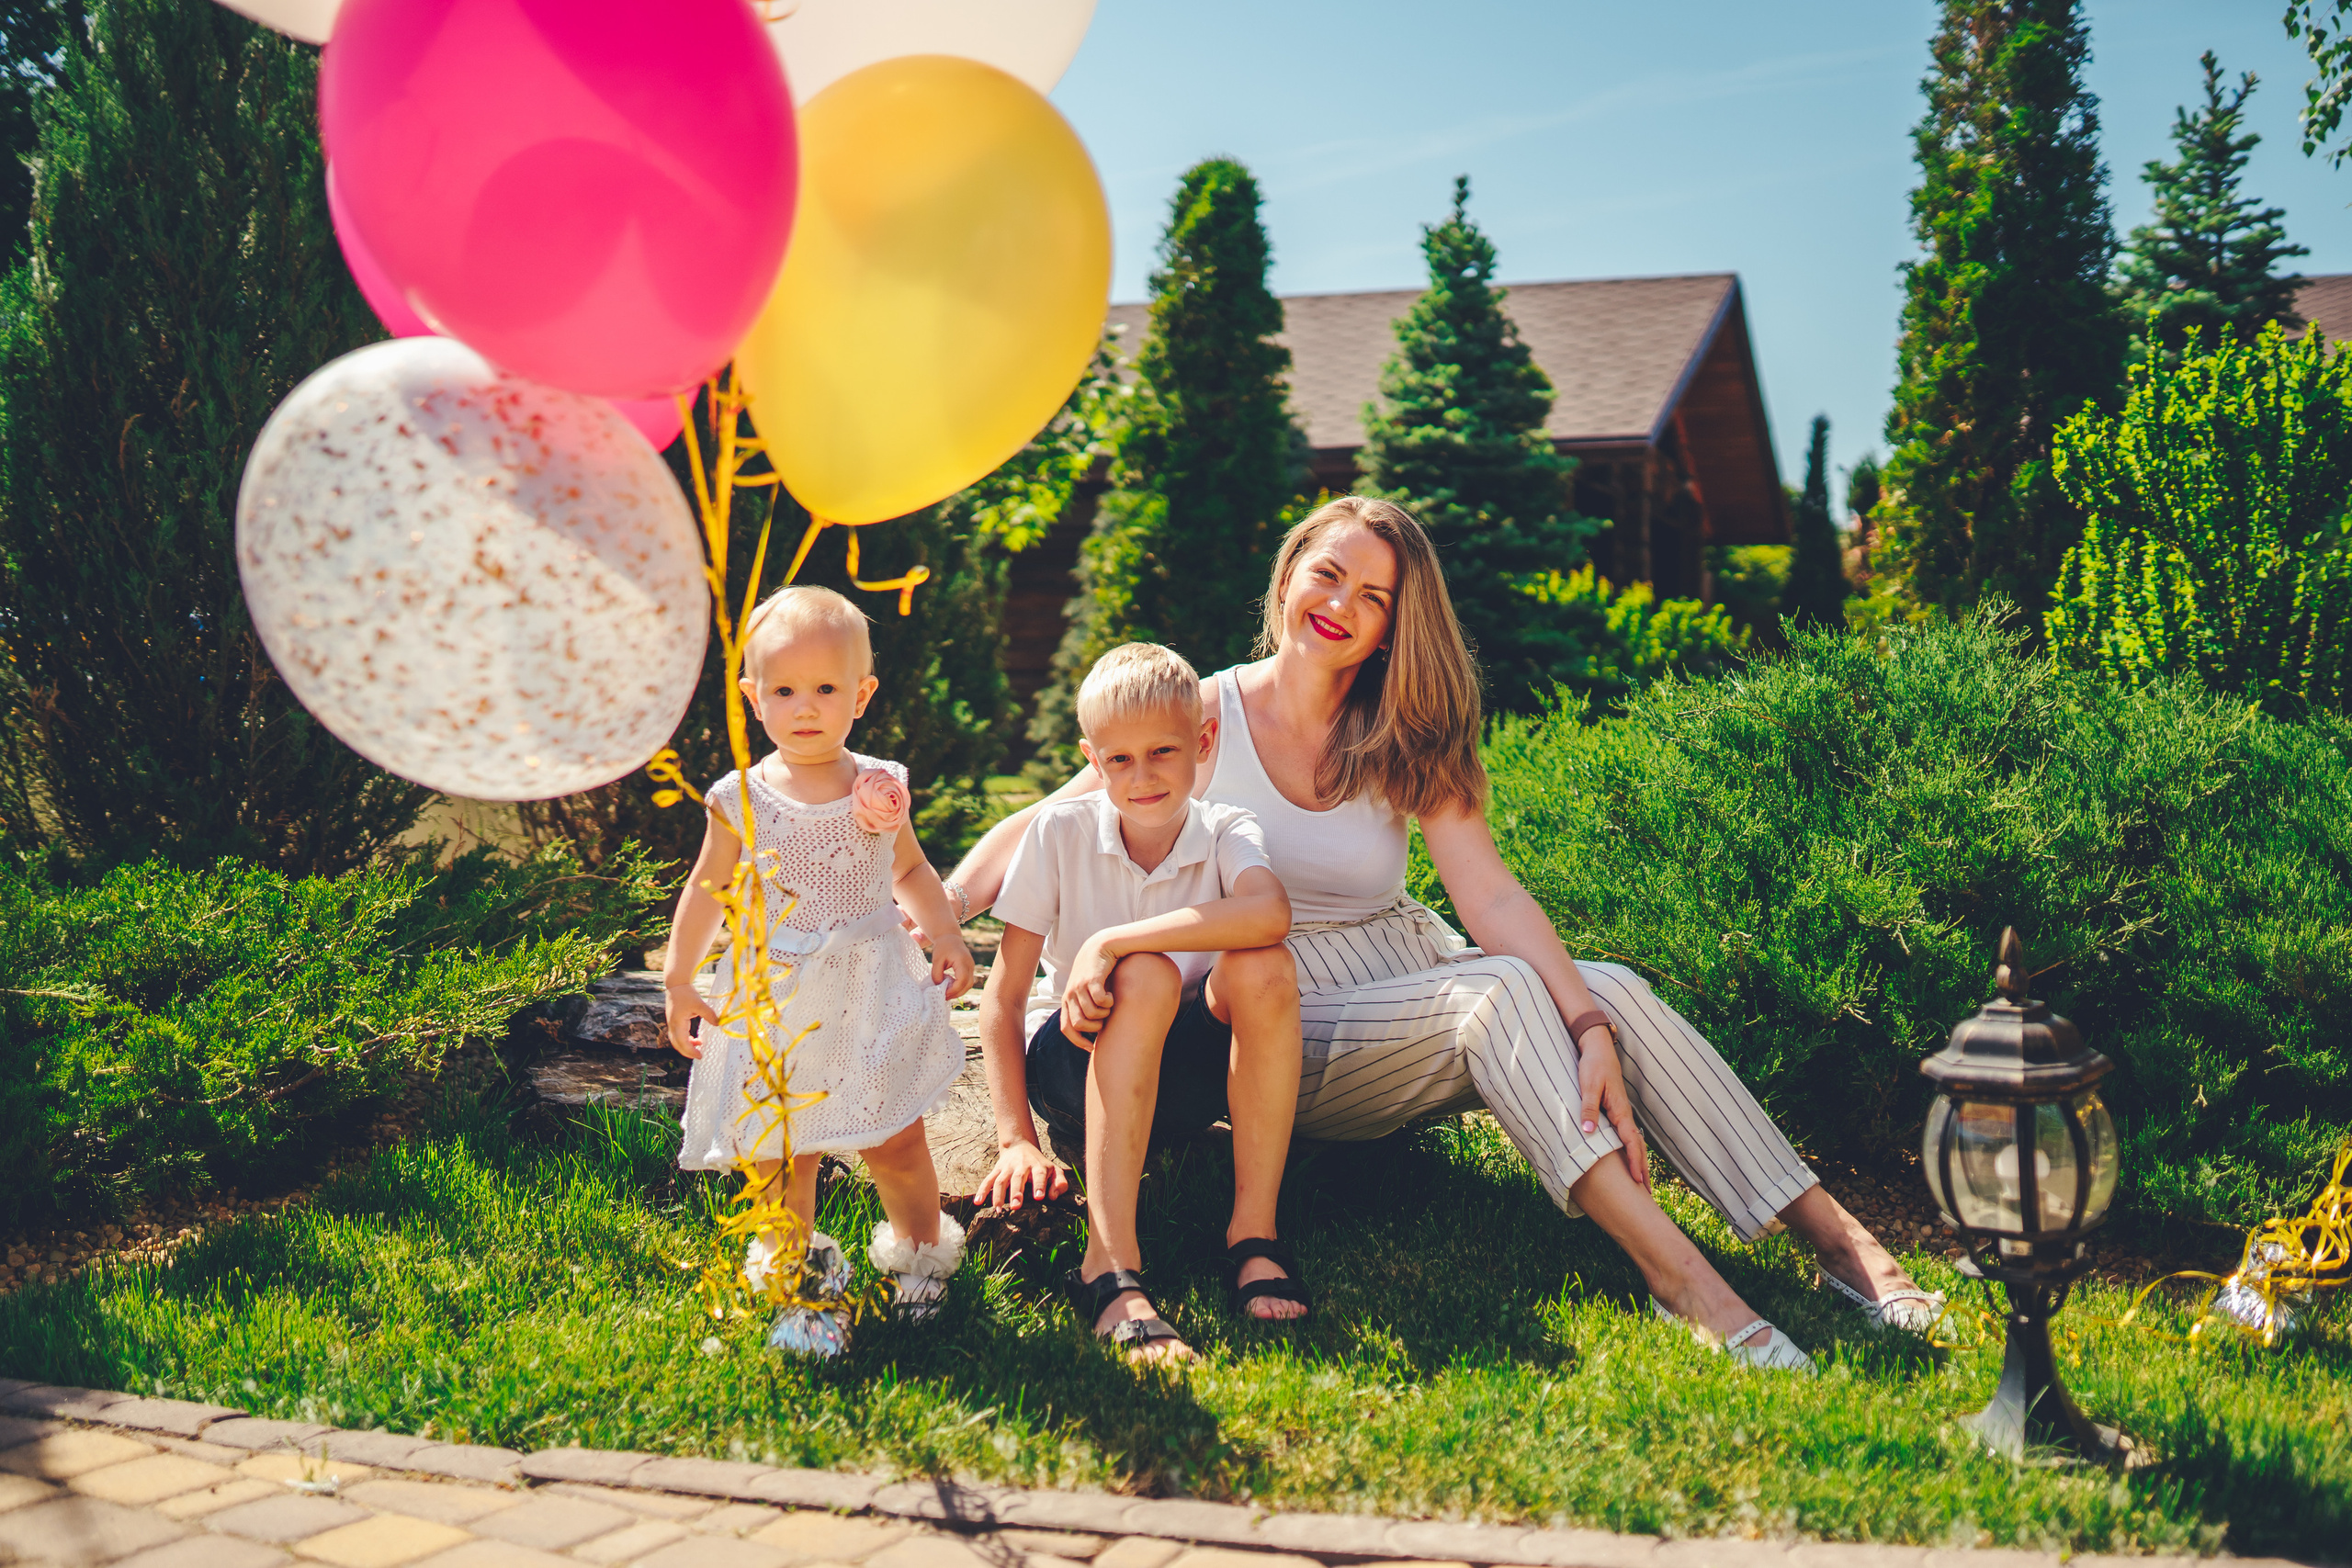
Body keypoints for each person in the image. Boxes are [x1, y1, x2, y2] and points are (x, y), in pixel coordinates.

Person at [950, 497, 1944, 1371]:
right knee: (1504, 995)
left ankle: (1845, 1247)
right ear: (1289, 575)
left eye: (1371, 596)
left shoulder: (1404, 729)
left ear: (1391, 626)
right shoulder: (1200, 715)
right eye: (1326, 574)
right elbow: (1050, 819)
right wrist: (938, 908)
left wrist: (1590, 1026)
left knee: (1614, 994)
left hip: (1404, 967)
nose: (1339, 603)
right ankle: (1682, 1282)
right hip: (1276, 1003)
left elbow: (1492, 899)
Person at [664, 585, 977, 1359]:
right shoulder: (740, 798)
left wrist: (944, 932)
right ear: (753, 697)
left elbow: (910, 867)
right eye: (785, 690)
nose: (806, 707)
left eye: (827, 689)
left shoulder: (877, 786)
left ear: (863, 695)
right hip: (776, 1003)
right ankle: (793, 1280)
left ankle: (920, 1256)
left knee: (895, 1138)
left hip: (868, 993)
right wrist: (680, 976)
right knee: (782, 1150)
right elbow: (706, 890)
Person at [976, 643, 1305, 1363]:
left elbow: (1269, 912)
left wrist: (1113, 940)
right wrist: (1014, 1138)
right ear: (1092, 760)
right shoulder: (1056, 833)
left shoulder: (1225, 829)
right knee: (1148, 975)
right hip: (1074, 1059)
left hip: (1182, 1072)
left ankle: (1253, 1235)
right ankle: (1109, 1265)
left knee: (1266, 969)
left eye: (1162, 751)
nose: (1143, 775)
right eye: (1118, 759)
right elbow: (1000, 997)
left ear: (1204, 742)